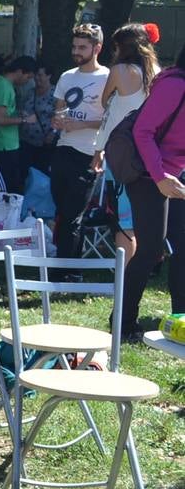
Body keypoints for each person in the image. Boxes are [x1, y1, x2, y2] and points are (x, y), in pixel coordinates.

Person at [120, 52, 184, 342]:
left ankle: (180, 321)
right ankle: (122, 322)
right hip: (148, 176)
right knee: (149, 251)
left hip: (173, 176)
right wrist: (159, 178)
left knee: (181, 249)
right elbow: (142, 131)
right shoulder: (174, 86)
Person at [92, 24, 160, 265]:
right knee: (143, 211)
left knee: (122, 217)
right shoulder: (156, 71)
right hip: (150, 151)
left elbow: (106, 107)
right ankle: (144, 266)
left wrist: (98, 150)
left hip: (121, 150)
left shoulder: (119, 70)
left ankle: (125, 273)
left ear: (122, 47)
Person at [50, 24, 109, 265]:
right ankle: (67, 265)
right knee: (62, 211)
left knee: (73, 214)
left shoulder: (107, 77)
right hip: (63, 148)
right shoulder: (67, 76)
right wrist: (58, 120)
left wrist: (82, 125)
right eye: (74, 46)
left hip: (88, 152)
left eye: (82, 47)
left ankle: (68, 270)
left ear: (97, 48)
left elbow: (110, 121)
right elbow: (59, 111)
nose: (77, 51)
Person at [0, 55, 37, 193]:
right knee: (3, 189)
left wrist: (18, 113)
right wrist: (25, 120)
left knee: (12, 185)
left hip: (7, 144)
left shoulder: (3, 83)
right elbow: (0, 119)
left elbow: (5, 112)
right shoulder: (3, 86)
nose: (27, 81)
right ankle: (1, 214)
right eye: (28, 77)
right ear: (20, 71)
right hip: (1, 145)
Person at [20, 63, 58, 174]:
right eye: (36, 75)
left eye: (40, 75)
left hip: (44, 143)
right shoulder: (30, 92)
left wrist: (53, 133)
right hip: (26, 141)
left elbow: (61, 116)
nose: (37, 78)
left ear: (49, 76)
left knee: (41, 173)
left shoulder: (55, 94)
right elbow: (22, 107)